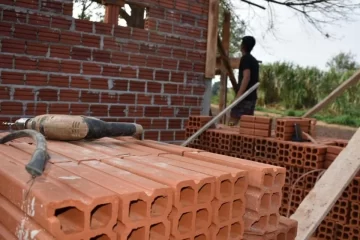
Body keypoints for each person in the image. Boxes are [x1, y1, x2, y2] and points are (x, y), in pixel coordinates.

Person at [229, 36, 259, 125]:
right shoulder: (254, 61)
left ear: (243, 46)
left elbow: (246, 77)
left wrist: (238, 97)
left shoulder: (245, 58)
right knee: (247, 125)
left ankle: (229, 138)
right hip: (252, 97)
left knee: (232, 121)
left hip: (244, 98)